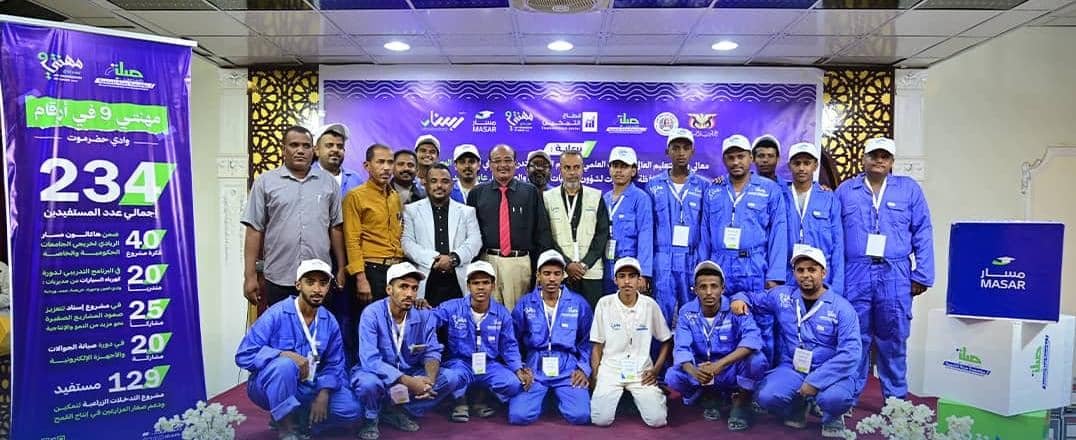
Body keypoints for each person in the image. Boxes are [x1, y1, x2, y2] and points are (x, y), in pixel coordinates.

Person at [835, 137, 933, 402]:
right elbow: (834, 236)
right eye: (873, 155)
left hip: (895, 273)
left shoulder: (908, 189)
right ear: (863, 159)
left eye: (885, 156)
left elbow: (923, 230)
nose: (879, 160)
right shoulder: (845, 191)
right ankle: (847, 399)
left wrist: (922, 274)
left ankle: (895, 401)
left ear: (891, 162)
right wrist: (835, 279)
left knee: (894, 337)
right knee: (854, 338)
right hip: (855, 273)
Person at [236, 259, 368, 440]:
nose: (317, 289)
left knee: (351, 410)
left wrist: (323, 392)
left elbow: (335, 364)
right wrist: (282, 354)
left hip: (309, 385)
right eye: (310, 282)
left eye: (323, 283)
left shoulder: (329, 321)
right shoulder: (276, 314)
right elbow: (244, 354)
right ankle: (286, 428)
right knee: (284, 366)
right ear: (298, 285)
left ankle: (301, 419)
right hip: (269, 385)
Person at [744, 246, 861, 438]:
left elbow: (851, 354)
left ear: (823, 273)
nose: (805, 275)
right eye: (800, 270)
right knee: (765, 396)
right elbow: (752, 298)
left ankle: (832, 416)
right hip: (794, 368)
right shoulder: (783, 297)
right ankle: (798, 404)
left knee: (835, 399)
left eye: (812, 269)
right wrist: (739, 300)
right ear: (794, 273)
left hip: (831, 371)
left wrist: (815, 381)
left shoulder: (842, 308)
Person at [700, 134, 789, 367]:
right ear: (724, 160)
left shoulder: (769, 190)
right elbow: (704, 234)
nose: (736, 162)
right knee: (723, 323)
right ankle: (726, 378)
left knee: (761, 323)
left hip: (755, 267)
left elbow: (779, 233)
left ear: (750, 158)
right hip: (721, 265)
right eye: (730, 158)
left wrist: (775, 276)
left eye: (741, 156)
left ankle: (761, 378)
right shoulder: (713, 191)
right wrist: (704, 271)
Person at [352, 262, 465, 436]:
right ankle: (371, 417)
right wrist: (410, 382)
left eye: (414, 288)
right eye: (403, 287)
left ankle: (398, 411)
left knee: (452, 377)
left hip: (410, 372)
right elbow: (370, 360)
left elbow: (432, 351)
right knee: (368, 383)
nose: (410, 294)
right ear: (389, 289)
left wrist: (428, 382)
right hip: (378, 373)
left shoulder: (424, 315)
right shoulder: (371, 314)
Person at [242, 126, 346, 307]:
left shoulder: (328, 183)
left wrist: (342, 268)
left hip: (318, 278)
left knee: (317, 324)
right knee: (282, 324)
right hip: (279, 275)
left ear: (313, 150)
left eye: (306, 146)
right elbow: (254, 230)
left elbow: (336, 228)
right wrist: (249, 276)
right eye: (294, 145)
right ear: (283, 150)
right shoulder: (265, 182)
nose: (300, 150)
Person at [664, 260, 766, 431]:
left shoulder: (735, 308)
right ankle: (709, 397)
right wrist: (694, 371)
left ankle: (741, 402)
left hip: (729, 369)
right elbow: (681, 347)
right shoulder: (686, 312)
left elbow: (752, 339)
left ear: (723, 289)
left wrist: (720, 365)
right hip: (703, 370)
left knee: (757, 360)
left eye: (714, 286)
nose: (709, 292)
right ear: (695, 290)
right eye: (703, 287)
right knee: (672, 376)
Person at [433, 261, 530, 422]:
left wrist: (518, 369)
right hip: (460, 362)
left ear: (493, 286)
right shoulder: (451, 307)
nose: (481, 287)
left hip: (489, 364)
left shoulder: (502, 313)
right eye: (475, 283)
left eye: (485, 282)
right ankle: (459, 400)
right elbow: (430, 320)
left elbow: (509, 346)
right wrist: (419, 306)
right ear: (468, 286)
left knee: (513, 383)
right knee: (453, 376)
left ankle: (481, 397)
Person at [508, 250, 593, 426]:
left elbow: (587, 341)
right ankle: (544, 396)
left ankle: (552, 396)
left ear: (563, 276)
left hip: (568, 367)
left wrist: (583, 368)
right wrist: (519, 367)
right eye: (546, 273)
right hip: (534, 367)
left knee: (581, 415)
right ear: (538, 275)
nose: (552, 279)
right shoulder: (525, 303)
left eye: (557, 273)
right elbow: (511, 341)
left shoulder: (578, 303)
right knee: (519, 416)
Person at [467, 144, 553, 312]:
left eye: (507, 160)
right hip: (487, 262)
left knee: (518, 315)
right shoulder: (477, 193)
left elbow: (542, 232)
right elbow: (469, 233)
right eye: (497, 161)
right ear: (489, 165)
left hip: (519, 264)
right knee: (487, 314)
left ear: (515, 163)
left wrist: (542, 268)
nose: (503, 165)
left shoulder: (530, 192)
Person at [589, 257, 672, 428]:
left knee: (657, 420)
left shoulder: (650, 305)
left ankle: (648, 398)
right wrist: (596, 376)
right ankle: (620, 399)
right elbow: (597, 345)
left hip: (641, 371)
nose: (627, 281)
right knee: (601, 419)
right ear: (615, 280)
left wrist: (656, 370)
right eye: (622, 276)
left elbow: (666, 340)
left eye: (632, 276)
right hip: (610, 370)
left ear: (639, 280)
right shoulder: (604, 304)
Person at [646, 128, 709, 326]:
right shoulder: (653, 185)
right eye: (675, 148)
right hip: (662, 259)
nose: (681, 152)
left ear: (692, 151)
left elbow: (706, 228)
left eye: (685, 148)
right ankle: (660, 348)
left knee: (693, 315)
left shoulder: (704, 186)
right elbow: (648, 229)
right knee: (660, 316)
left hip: (691, 259)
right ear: (667, 152)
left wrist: (702, 261)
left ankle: (691, 347)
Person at [401, 163, 483, 307]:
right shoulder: (411, 210)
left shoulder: (467, 212)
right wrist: (434, 260)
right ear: (426, 184)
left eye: (444, 181)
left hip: (457, 281)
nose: (439, 185)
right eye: (434, 181)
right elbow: (407, 243)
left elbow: (475, 241)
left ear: (451, 185)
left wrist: (452, 259)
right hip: (426, 280)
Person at [544, 149, 610, 306]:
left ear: (583, 169)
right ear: (560, 169)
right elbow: (546, 236)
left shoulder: (596, 196)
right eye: (567, 168)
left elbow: (602, 234)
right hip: (561, 272)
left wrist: (585, 264)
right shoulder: (547, 198)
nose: (572, 172)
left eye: (576, 167)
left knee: (590, 315)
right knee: (563, 315)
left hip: (591, 272)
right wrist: (567, 264)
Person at [343, 144, 404, 306]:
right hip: (371, 270)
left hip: (396, 270)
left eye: (390, 162)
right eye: (380, 162)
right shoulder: (355, 196)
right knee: (370, 319)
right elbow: (352, 240)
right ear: (367, 165)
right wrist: (361, 278)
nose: (386, 168)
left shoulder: (394, 196)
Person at [782, 142, 844, 295]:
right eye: (797, 163)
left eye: (807, 163)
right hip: (787, 274)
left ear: (815, 165)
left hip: (820, 276)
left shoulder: (828, 198)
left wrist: (837, 286)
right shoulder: (780, 196)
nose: (802, 168)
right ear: (789, 166)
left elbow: (837, 244)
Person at [603, 146, 654, 296]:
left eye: (624, 166)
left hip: (630, 268)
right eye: (615, 166)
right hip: (607, 266)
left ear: (633, 171)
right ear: (609, 169)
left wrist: (643, 273)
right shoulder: (604, 199)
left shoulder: (641, 198)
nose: (619, 171)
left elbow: (645, 235)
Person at [313, 122, 364, 196]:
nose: (335, 150)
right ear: (317, 150)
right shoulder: (306, 177)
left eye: (340, 146)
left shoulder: (355, 179)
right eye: (329, 145)